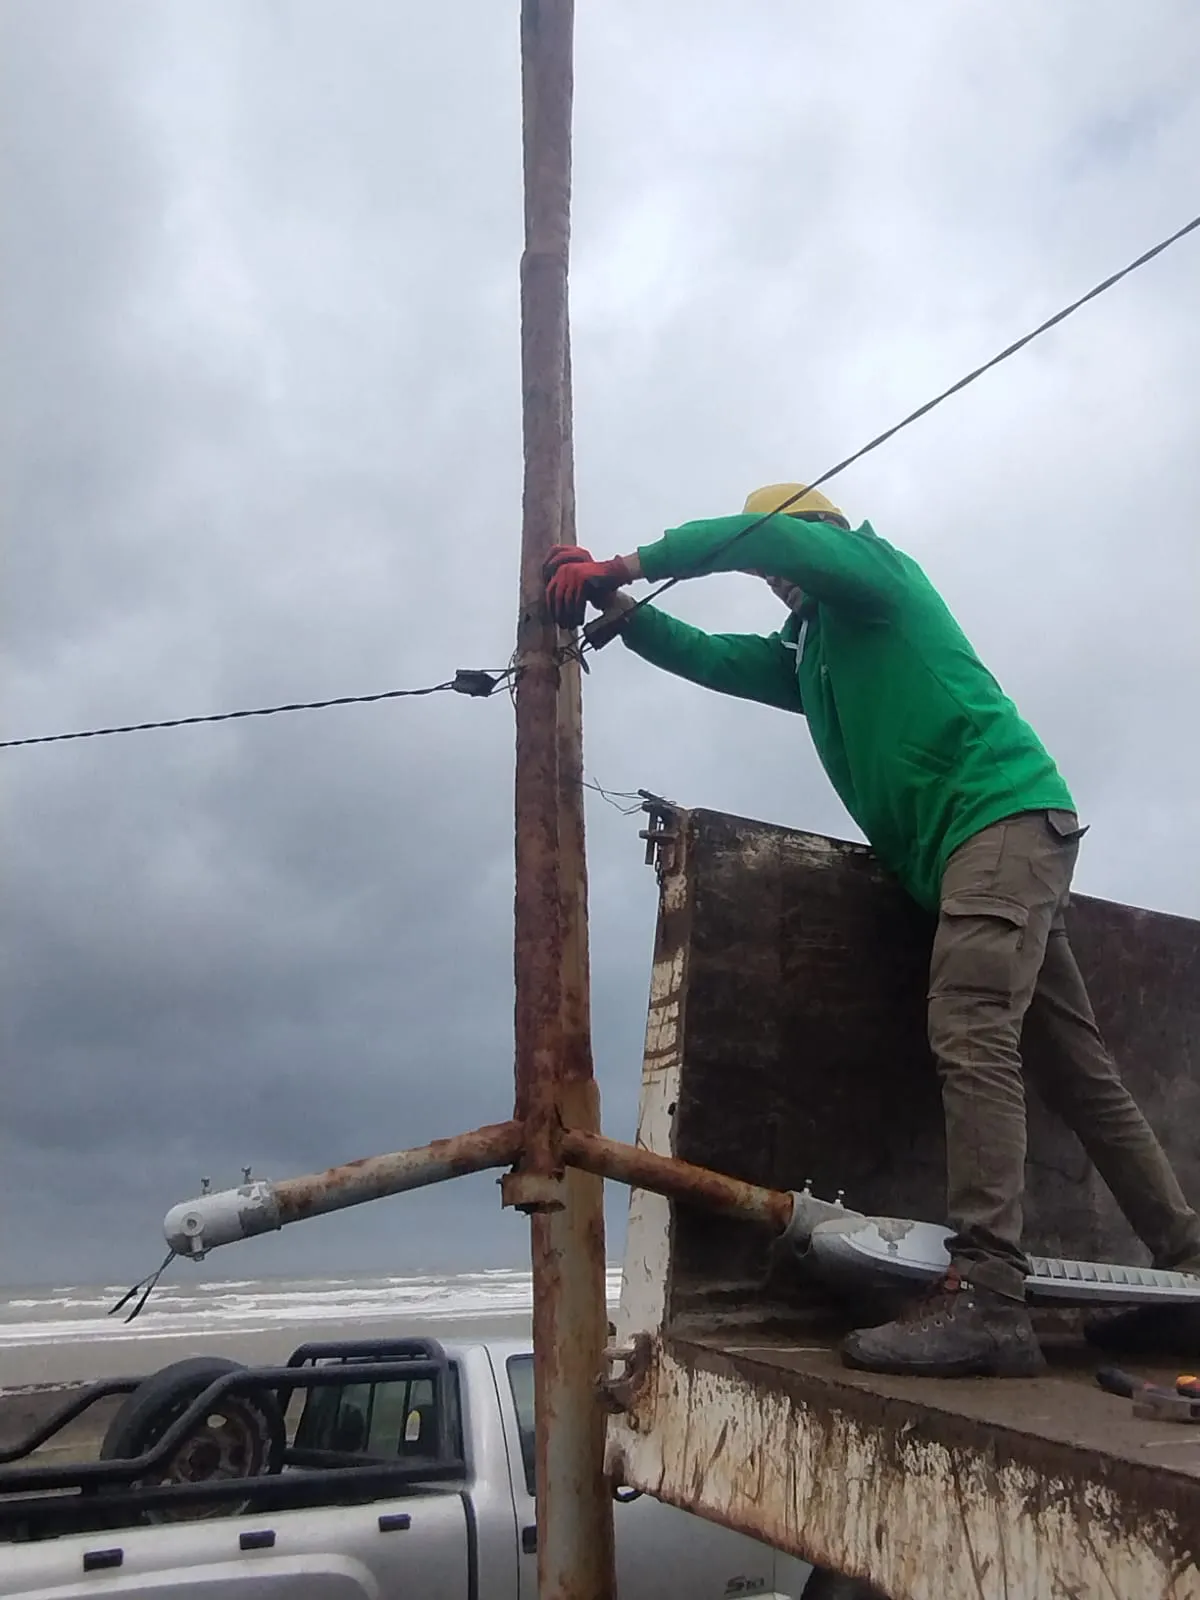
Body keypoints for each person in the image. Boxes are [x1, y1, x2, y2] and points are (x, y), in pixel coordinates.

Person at [543, 483, 1200, 1377]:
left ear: (822, 537)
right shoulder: (813, 654)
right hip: (995, 842)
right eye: (770, 577)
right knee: (1079, 1074)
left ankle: (989, 1294)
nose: (777, 582)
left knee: (970, 1030)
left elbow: (764, 540)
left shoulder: (874, 577)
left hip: (996, 825)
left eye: (785, 562)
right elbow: (715, 657)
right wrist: (622, 614)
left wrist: (627, 564)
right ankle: (1188, 1265)